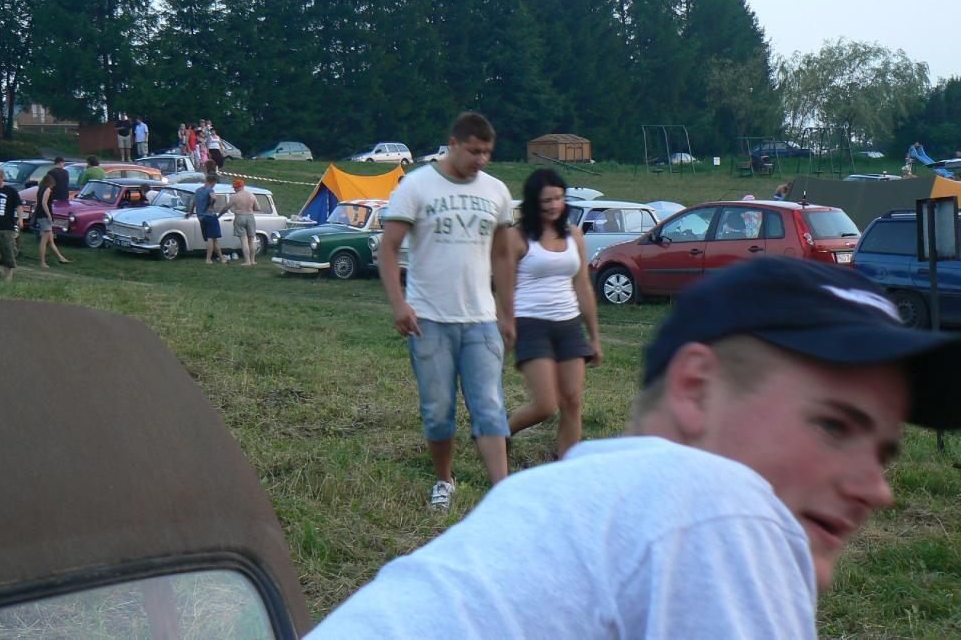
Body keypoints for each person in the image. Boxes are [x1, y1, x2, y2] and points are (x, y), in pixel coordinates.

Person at [308, 257, 961, 639]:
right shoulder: (714, 503)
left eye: (885, 452)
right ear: (696, 389)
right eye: (835, 426)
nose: (879, 489)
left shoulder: (565, 508)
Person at [378, 112, 515, 509]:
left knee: (489, 406)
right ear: (453, 144)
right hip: (429, 321)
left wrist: (507, 312)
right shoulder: (416, 185)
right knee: (438, 411)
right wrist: (398, 303)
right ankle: (444, 480)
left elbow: (503, 255)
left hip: (481, 321)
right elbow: (388, 248)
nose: (481, 160)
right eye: (474, 151)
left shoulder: (496, 191)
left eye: (487, 152)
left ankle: (502, 493)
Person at [506, 168, 602, 459]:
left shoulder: (574, 235)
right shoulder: (517, 236)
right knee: (545, 405)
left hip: (569, 324)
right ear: (533, 202)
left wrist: (594, 337)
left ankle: (567, 467)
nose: (553, 205)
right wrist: (506, 325)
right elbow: (504, 287)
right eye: (546, 200)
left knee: (572, 401)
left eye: (558, 198)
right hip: (530, 323)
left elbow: (582, 285)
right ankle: (501, 434)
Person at [217, 178, 260, 266]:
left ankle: (247, 261)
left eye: (234, 188)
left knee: (244, 240)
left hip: (240, 217)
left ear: (237, 187)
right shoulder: (251, 195)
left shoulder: (235, 197)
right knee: (251, 240)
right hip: (250, 217)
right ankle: (253, 260)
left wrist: (219, 215)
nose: (234, 189)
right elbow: (258, 208)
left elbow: (226, 208)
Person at [33, 173, 71, 269]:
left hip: (40, 215)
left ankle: (61, 258)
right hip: (45, 216)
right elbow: (44, 203)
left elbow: (37, 203)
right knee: (44, 240)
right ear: (50, 183)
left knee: (50, 240)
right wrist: (49, 215)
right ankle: (42, 262)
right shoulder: (47, 190)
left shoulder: (40, 189)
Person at [186, 174, 227, 264]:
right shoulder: (209, 190)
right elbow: (214, 198)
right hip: (210, 216)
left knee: (214, 239)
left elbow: (193, 203)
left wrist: (190, 212)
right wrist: (211, 205)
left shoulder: (198, 190)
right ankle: (208, 259)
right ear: (213, 182)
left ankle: (221, 258)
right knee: (211, 238)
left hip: (201, 217)